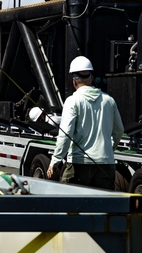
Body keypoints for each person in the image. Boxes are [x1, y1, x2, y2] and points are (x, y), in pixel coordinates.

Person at [47, 56, 124, 189]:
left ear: (74, 80)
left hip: (78, 164)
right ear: (91, 77)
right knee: (102, 207)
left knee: (70, 206)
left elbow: (65, 135)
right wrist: (109, 150)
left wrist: (55, 161)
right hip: (105, 164)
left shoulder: (72, 101)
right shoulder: (109, 101)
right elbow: (119, 131)